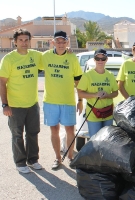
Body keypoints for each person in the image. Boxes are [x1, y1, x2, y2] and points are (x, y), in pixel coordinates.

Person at [0, 28, 43, 174]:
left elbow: (52, 58)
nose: (24, 43)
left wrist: (66, 50)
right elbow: (2, 82)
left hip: (32, 103)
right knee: (17, 134)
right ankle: (20, 162)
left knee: (33, 133)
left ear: (30, 41)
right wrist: (5, 104)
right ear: (15, 42)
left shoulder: (36, 55)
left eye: (26, 40)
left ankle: (33, 160)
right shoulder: (9, 59)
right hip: (15, 105)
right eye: (21, 40)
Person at [41, 30, 83, 169]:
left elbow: (78, 80)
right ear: (53, 42)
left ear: (67, 42)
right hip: (50, 101)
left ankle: (70, 157)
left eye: (63, 41)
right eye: (57, 41)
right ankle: (58, 158)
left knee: (70, 130)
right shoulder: (45, 56)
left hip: (68, 101)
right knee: (54, 130)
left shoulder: (72, 57)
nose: (60, 44)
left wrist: (80, 100)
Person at [77, 49, 118, 137]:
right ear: (94, 59)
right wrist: (95, 95)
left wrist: (107, 96)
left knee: (107, 140)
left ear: (106, 60)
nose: (100, 61)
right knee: (95, 141)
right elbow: (80, 93)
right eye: (97, 58)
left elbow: (115, 93)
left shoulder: (110, 75)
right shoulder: (87, 75)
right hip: (93, 113)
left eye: (103, 59)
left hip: (108, 113)